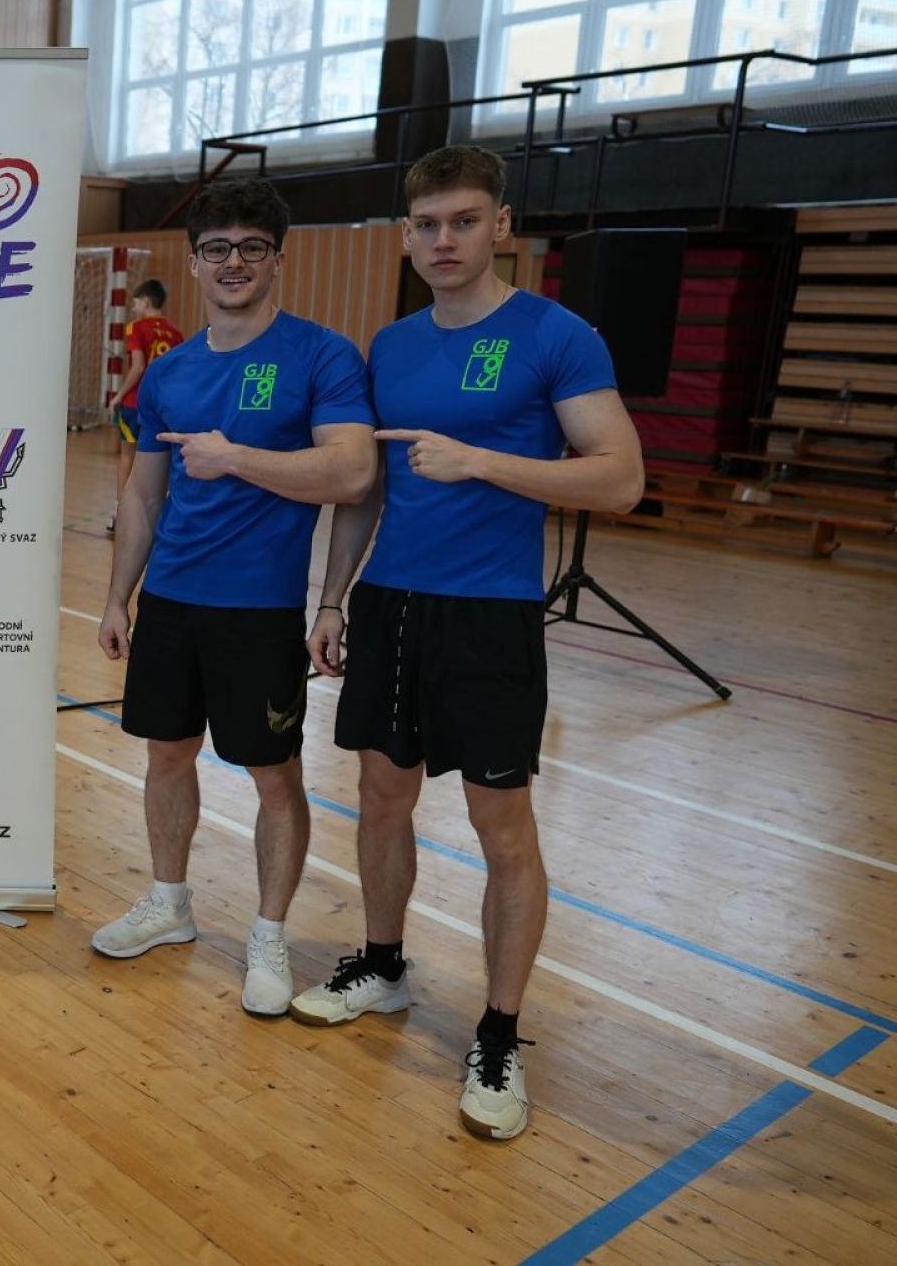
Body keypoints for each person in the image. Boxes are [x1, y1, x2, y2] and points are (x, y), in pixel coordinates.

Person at [292, 144, 644, 1142]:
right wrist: (332, 598)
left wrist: (485, 461)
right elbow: (367, 488)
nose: (442, 240)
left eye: (462, 220)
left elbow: (620, 479)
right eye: (426, 225)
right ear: (405, 238)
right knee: (380, 796)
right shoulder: (390, 345)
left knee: (503, 830)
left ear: (501, 226)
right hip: (389, 603)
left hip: (489, 612)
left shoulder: (555, 335)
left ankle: (497, 1030)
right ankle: (383, 963)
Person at [94, 178, 376, 1017]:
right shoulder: (170, 372)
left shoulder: (322, 354)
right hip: (171, 602)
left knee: (274, 775)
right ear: (194, 262)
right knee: (166, 756)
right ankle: (169, 902)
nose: (234, 262)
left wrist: (236, 458)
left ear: (277, 260)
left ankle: (269, 934)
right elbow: (144, 494)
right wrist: (118, 597)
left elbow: (354, 472)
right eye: (217, 247)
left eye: (253, 247)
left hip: (259, 610)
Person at [107, 279, 184, 533]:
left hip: (137, 402)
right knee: (160, 460)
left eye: (136, 303)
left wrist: (119, 395)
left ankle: (120, 513)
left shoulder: (136, 327)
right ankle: (159, 515)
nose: (133, 308)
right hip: (165, 405)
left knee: (127, 457)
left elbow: (138, 366)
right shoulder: (175, 332)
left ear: (146, 302)